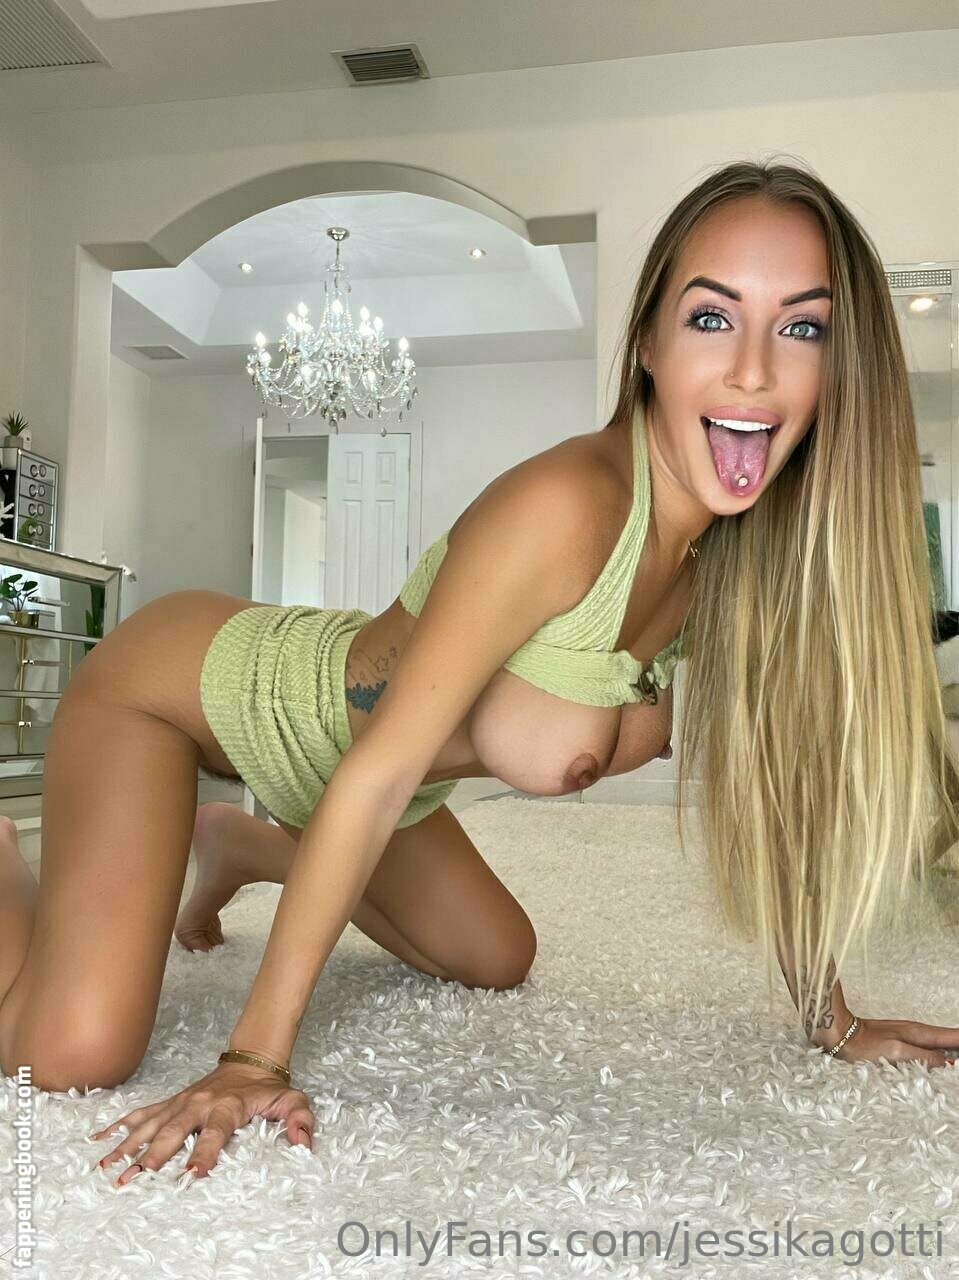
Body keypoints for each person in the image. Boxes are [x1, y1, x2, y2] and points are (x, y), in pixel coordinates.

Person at [3, 158, 959, 1190]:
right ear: (647, 343)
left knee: (498, 957)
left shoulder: (726, 565)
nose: (754, 372)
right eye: (711, 318)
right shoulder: (566, 507)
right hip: (181, 692)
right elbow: (375, 775)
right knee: (71, 1055)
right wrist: (252, 1061)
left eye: (802, 328)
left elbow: (774, 796)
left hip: (368, 768)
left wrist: (831, 1018)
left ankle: (245, 843)